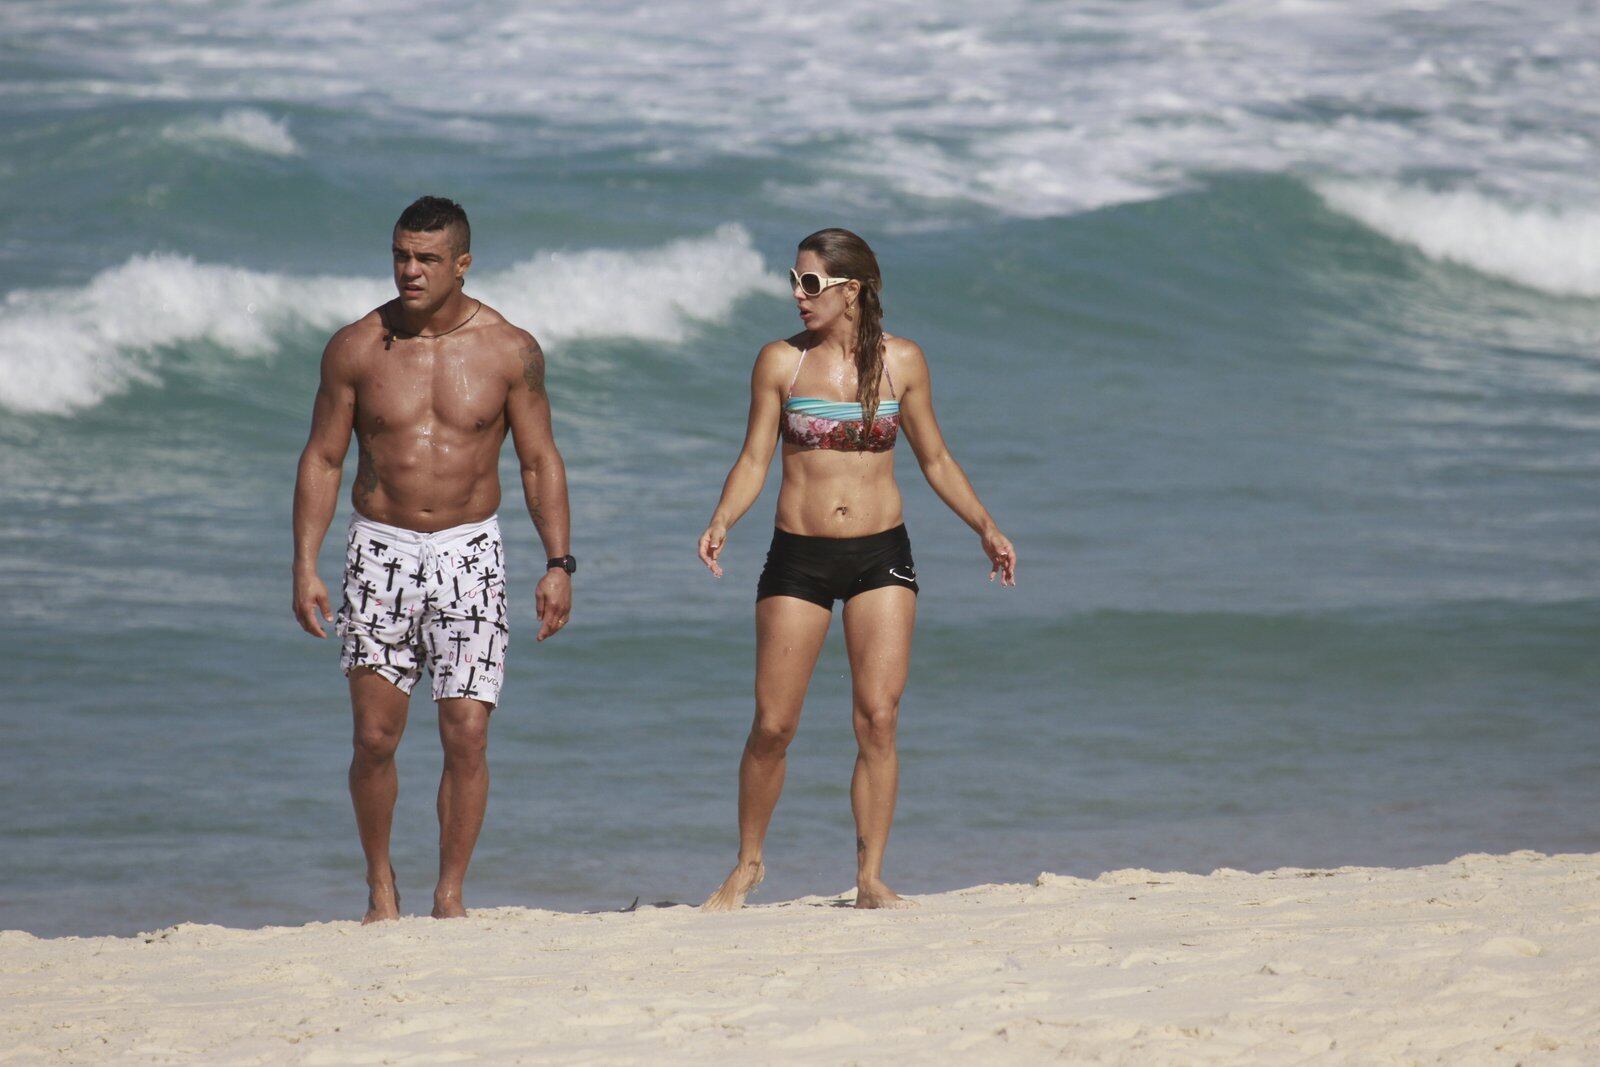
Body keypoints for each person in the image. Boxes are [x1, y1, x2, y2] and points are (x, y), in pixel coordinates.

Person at [698, 227, 1017, 911]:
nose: (797, 294)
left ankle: (870, 876)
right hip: (799, 557)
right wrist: (723, 519)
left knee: (878, 718)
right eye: (793, 280)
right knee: (773, 724)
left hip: (880, 554)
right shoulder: (780, 362)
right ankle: (748, 864)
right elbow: (754, 458)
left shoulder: (903, 362)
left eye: (810, 282)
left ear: (852, 290)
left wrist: (986, 527)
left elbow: (936, 459)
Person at [291, 196, 575, 922]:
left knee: (467, 735)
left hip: (468, 551)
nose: (409, 270)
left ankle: (450, 893)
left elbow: (539, 460)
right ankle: (380, 884)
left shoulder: (509, 350)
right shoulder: (357, 347)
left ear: (462, 264)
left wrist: (559, 563)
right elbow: (323, 458)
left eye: (426, 258)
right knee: (374, 738)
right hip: (378, 548)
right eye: (401, 255)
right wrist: (305, 564)